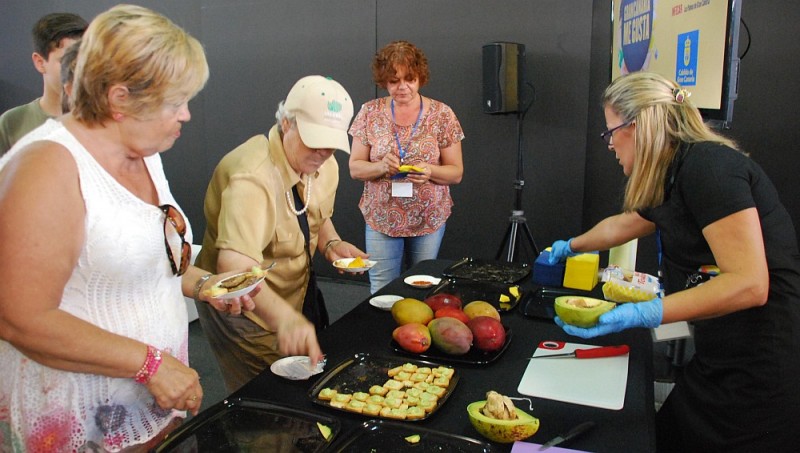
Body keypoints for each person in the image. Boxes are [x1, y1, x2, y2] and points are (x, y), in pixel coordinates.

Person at [0, 5, 266, 451]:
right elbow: (20, 318)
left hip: (150, 406)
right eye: (174, 102)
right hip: (79, 420)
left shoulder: (143, 151)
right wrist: (151, 365)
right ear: (119, 99)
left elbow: (145, 258)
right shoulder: (46, 168)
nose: (186, 116)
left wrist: (206, 286)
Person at [547, 71, 800, 450]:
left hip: (761, 369)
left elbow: (750, 283)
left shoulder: (709, 168)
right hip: (718, 355)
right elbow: (626, 224)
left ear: (639, 125)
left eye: (610, 132)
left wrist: (648, 313)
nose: (610, 145)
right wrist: (571, 245)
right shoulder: (673, 173)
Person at [195, 75, 365, 392]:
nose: (324, 151)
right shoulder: (253, 175)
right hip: (243, 308)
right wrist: (283, 319)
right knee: (269, 394)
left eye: (332, 142)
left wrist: (332, 243)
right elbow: (234, 268)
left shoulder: (326, 165)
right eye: (314, 139)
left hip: (292, 296)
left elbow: (314, 215)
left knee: (305, 385)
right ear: (286, 123)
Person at [349, 40, 464, 294]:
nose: (402, 87)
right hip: (382, 218)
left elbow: (456, 173)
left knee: (421, 287)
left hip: (428, 218)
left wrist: (430, 171)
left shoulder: (442, 114)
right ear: (383, 81)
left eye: (409, 79)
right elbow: (355, 168)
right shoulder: (369, 112)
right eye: (393, 80)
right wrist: (380, 167)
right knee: (382, 289)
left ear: (420, 77)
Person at [0, 12, 87, 155]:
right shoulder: (11, 124)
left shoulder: (103, 120)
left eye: (84, 59)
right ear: (40, 62)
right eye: (65, 60)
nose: (76, 69)